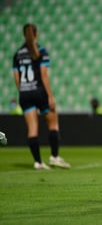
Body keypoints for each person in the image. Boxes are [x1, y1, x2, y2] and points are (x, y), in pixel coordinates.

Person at [13, 23, 70, 170]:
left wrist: (23, 91)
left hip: (25, 93)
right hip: (39, 92)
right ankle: (54, 157)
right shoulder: (41, 51)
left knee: (32, 129)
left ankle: (38, 162)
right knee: (53, 124)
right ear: (36, 34)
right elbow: (44, 75)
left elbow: (17, 77)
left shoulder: (18, 54)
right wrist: (50, 96)